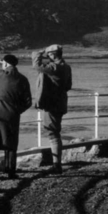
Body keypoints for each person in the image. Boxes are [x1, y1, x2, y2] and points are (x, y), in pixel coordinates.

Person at [32, 43, 73, 173]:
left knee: (52, 133)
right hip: (60, 103)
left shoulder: (54, 67)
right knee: (54, 132)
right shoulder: (66, 67)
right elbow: (68, 86)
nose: (47, 56)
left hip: (52, 104)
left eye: (49, 54)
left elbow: (36, 66)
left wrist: (38, 53)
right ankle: (57, 164)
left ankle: (57, 165)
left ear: (53, 55)